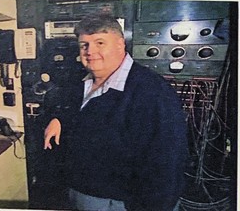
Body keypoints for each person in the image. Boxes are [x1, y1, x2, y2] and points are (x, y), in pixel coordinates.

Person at [42, 13, 187, 211]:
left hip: (119, 202)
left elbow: (167, 162)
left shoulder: (151, 91)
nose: (90, 51)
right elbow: (79, 109)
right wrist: (59, 118)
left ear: (120, 44)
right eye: (84, 44)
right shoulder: (83, 83)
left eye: (100, 42)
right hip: (80, 192)